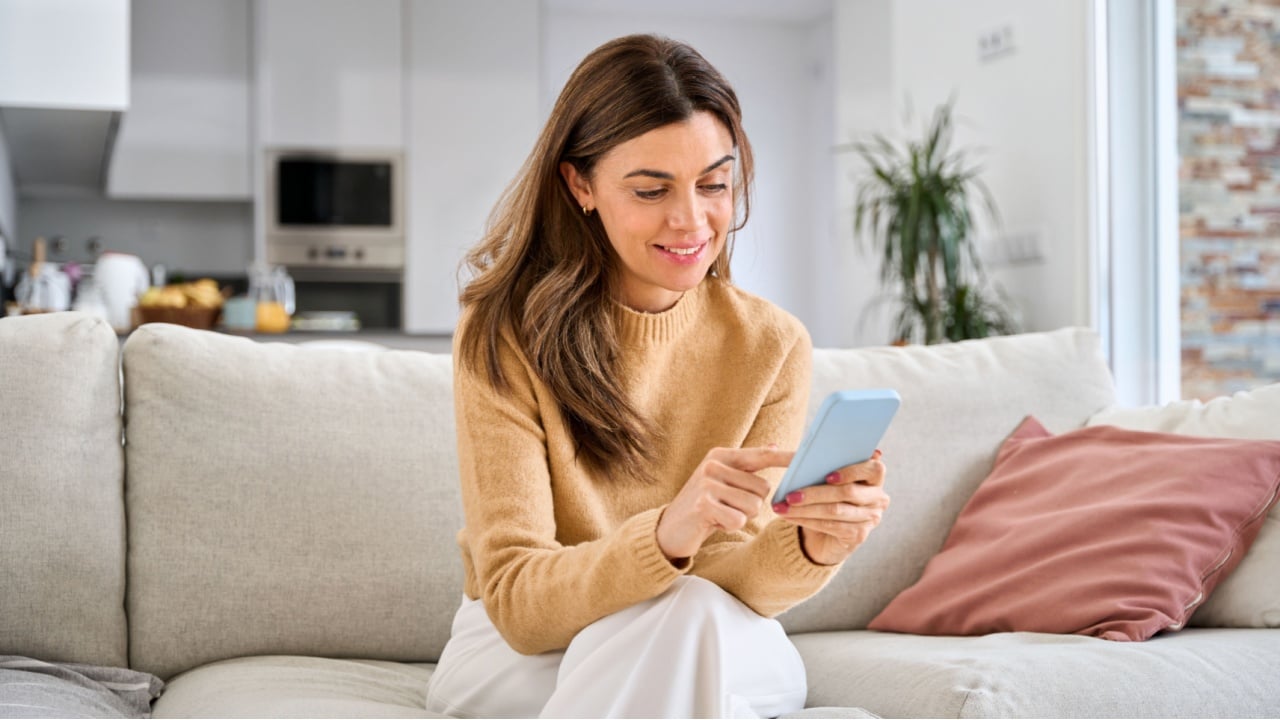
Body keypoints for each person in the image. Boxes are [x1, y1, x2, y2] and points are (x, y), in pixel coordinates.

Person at [425, 33, 890, 719]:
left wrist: (810, 546)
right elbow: (520, 604)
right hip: (527, 650)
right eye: (651, 189)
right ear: (579, 184)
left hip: (701, 623)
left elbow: (735, 577)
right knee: (687, 624)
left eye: (715, 184)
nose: (691, 220)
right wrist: (668, 532)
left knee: (694, 613)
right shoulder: (503, 331)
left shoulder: (772, 345)